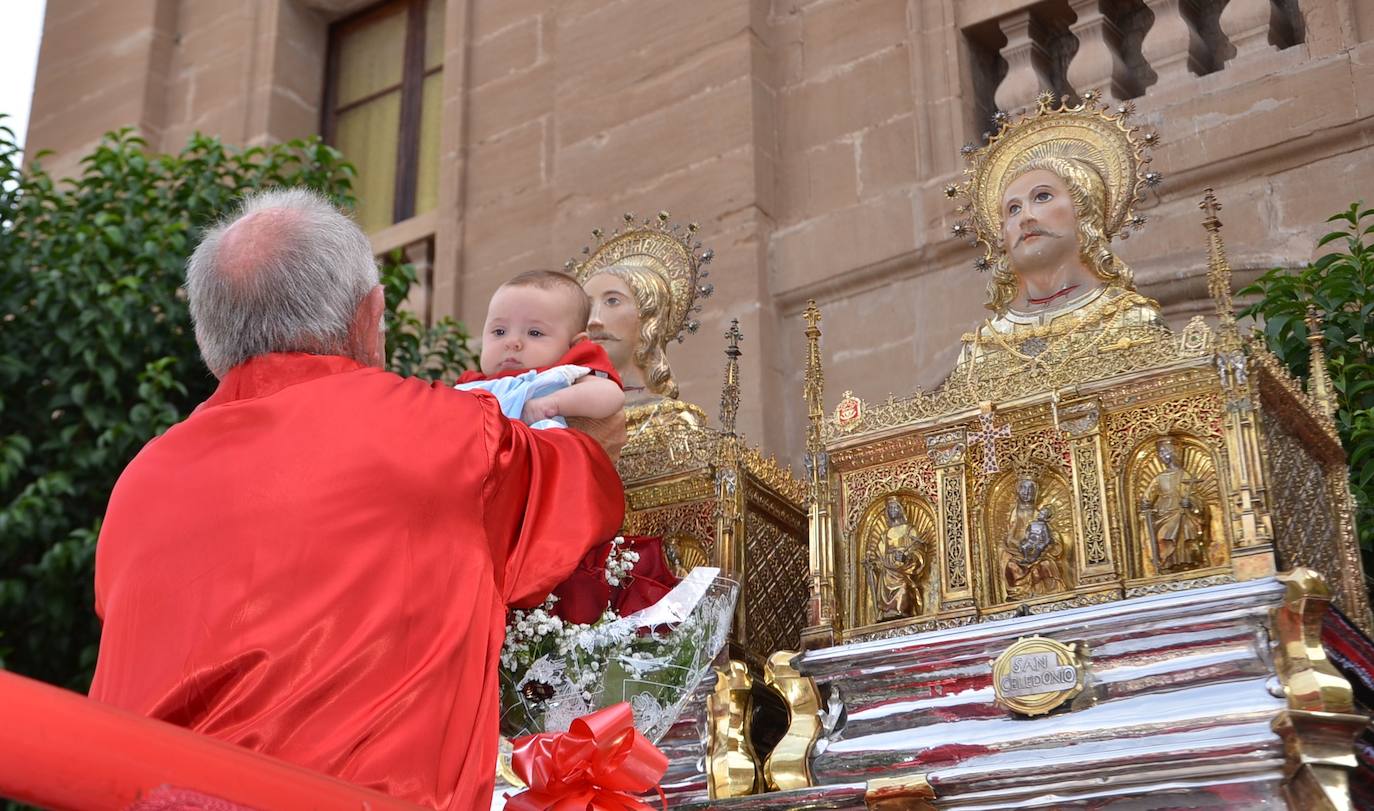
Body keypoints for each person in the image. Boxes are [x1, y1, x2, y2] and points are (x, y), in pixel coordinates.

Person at [87, 189, 626, 810]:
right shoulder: (443, 433)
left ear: (211, 338)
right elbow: (582, 485)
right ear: (369, 314)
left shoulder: (138, 479)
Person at [954, 95, 1166, 369]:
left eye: (1042, 197)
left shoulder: (1132, 321)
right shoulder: (982, 350)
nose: (1026, 217)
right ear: (1001, 237)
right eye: (1013, 209)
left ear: (1084, 210)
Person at [455, 270, 624, 429]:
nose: (512, 342)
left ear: (574, 346)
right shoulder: (469, 388)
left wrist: (554, 404)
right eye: (499, 331)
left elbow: (611, 395)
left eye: (534, 333)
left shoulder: (566, 375)